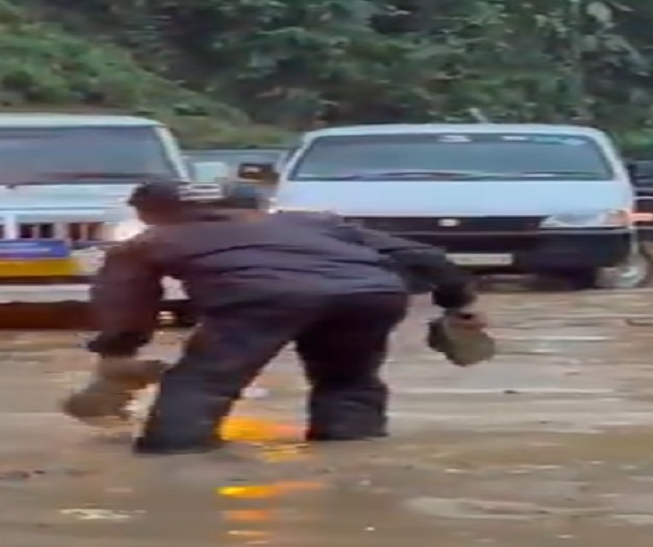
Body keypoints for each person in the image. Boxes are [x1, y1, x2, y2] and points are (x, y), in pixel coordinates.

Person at [84, 180, 479, 455]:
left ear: (151, 214)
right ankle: (351, 455)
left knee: (202, 383)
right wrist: (458, 303)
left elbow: (125, 301)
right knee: (348, 382)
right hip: (372, 294)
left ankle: (175, 457)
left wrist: (118, 350)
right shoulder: (315, 223)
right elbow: (425, 258)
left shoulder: (150, 241)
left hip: (260, 297)